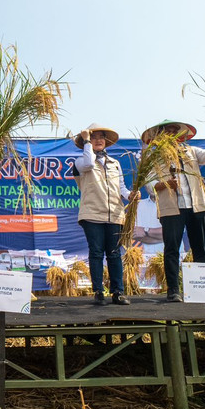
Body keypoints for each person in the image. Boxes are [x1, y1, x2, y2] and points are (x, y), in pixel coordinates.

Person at [142, 119, 205, 303]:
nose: (172, 134)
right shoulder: (155, 157)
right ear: (161, 136)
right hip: (171, 208)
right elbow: (149, 184)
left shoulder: (191, 151)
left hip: (196, 205)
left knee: (200, 248)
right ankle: (174, 290)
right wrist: (165, 184)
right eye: (168, 131)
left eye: (175, 131)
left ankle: (204, 290)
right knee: (172, 249)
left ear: (181, 135)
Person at [73, 124, 137, 305]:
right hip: (92, 214)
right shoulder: (80, 161)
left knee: (115, 253)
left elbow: (121, 188)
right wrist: (85, 140)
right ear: (88, 141)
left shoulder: (114, 163)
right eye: (94, 138)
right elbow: (89, 163)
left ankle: (118, 292)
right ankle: (99, 291)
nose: (98, 140)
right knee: (96, 253)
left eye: (101, 137)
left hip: (115, 214)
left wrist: (130, 195)